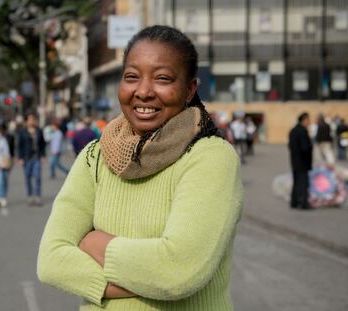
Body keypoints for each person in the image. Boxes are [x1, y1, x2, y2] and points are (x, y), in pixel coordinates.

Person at [37, 25, 243, 310]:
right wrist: (146, 278)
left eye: (162, 78)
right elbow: (51, 260)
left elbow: (179, 272)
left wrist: (97, 246)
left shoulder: (210, 157)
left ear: (189, 89)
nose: (143, 91)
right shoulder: (95, 156)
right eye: (132, 77)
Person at [18, 113, 46, 206]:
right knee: (28, 177)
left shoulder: (39, 131)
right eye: (30, 119)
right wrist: (20, 158)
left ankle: (37, 196)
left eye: (33, 119)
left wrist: (43, 155)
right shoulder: (22, 132)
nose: (32, 121)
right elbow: (20, 146)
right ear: (26, 121)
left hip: (37, 157)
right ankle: (30, 196)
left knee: (37, 177)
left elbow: (42, 144)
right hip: (26, 158)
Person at [288, 112, 313, 210]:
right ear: (304, 120)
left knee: (296, 182)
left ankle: (294, 202)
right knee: (303, 183)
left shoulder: (293, 130)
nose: (309, 122)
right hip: (303, 162)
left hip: (294, 160)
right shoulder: (302, 131)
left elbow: (290, 146)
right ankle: (303, 203)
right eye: (308, 120)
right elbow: (305, 147)